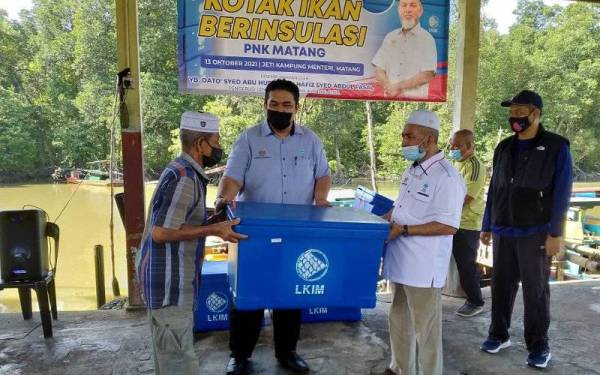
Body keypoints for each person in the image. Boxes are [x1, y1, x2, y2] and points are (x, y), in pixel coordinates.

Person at [216, 79, 332, 375]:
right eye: (274, 104)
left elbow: (323, 175)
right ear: (265, 104)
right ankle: (240, 354)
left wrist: (321, 198)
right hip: (254, 232)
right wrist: (224, 197)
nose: (280, 109)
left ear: (296, 107)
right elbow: (232, 177)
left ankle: (287, 351)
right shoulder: (249, 139)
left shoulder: (311, 140)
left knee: (291, 293)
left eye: (286, 105)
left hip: (296, 231)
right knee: (248, 295)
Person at [135, 111, 247, 375]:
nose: (218, 148)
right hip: (169, 285)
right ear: (201, 144)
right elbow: (161, 232)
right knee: (179, 362)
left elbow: (179, 217)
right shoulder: (185, 177)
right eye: (216, 142)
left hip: (169, 280)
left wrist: (212, 216)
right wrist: (214, 229)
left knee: (170, 356)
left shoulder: (182, 170)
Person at [479, 90, 573, 369]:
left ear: (536, 114)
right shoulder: (504, 148)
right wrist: (487, 224)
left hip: (536, 231)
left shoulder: (556, 147)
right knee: (501, 286)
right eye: (512, 112)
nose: (514, 117)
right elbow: (495, 189)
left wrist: (555, 233)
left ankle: (538, 345)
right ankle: (498, 334)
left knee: (536, 291)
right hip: (503, 228)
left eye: (520, 112)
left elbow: (562, 193)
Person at [376, 110, 465, 375]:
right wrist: (379, 222)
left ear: (428, 140)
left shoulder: (447, 177)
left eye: (409, 136)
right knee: (398, 318)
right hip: (401, 259)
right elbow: (400, 208)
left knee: (426, 330)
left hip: (423, 265)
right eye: (404, 135)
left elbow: (448, 225)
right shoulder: (412, 169)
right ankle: (399, 368)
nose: (403, 141)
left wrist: (403, 228)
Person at [449, 129, 487, 317]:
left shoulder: (475, 166)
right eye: (452, 145)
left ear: (471, 146)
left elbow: (467, 197)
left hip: (467, 223)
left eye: (459, 146)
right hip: (452, 220)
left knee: (466, 265)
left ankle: (475, 301)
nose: (454, 149)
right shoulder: (456, 163)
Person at [371, 0, 437, 98]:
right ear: (398, 10)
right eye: (404, 5)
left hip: (415, 102)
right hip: (389, 100)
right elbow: (378, 69)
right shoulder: (390, 37)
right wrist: (389, 87)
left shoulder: (427, 39)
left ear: (420, 11)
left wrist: (397, 87)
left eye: (413, 5)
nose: (408, 10)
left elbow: (427, 74)